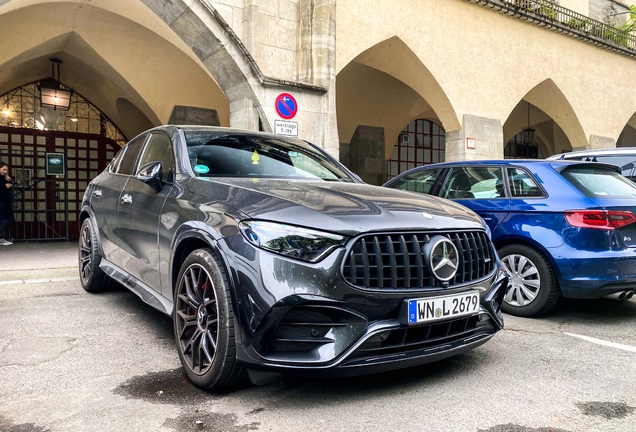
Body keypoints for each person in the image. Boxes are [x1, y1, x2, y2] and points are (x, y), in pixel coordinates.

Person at [0, 161, 14, 245]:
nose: (5, 171)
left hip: (5, 201)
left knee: (9, 218)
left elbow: (9, 185)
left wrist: (9, 180)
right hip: (1, 201)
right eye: (3, 169)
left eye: (6, 170)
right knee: (3, 219)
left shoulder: (4, 177)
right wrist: (5, 186)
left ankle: (1, 238)